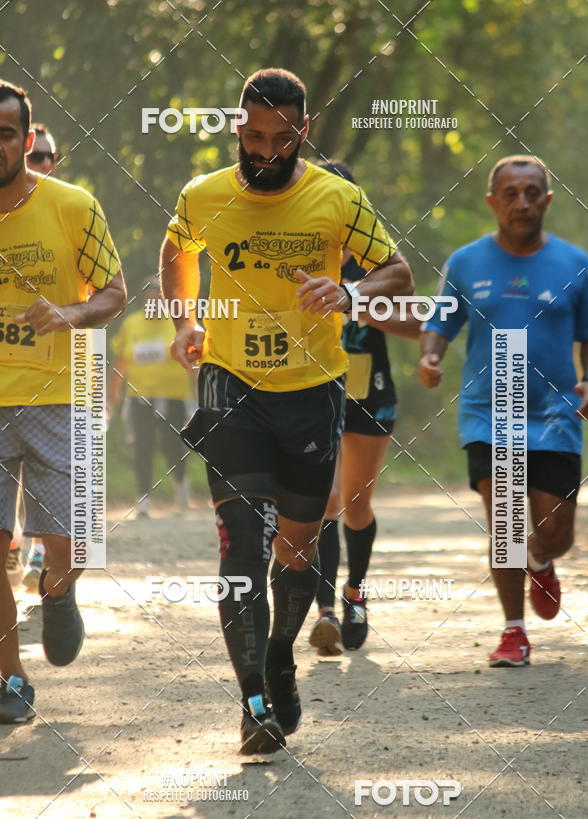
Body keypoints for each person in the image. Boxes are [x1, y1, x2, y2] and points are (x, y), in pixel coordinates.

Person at [160, 68, 414, 753]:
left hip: (312, 389)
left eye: (281, 138)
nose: (266, 152)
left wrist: (350, 295)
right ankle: (252, 704)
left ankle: (279, 656)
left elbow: (397, 271)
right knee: (242, 545)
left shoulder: (337, 196)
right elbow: (177, 249)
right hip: (230, 384)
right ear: (238, 128)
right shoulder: (203, 194)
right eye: (255, 137)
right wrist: (185, 321)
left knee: (296, 552)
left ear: (304, 131)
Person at [419, 155, 588, 667]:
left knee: (556, 535)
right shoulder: (465, 262)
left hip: (556, 414)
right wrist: (430, 357)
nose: (521, 203)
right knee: (504, 522)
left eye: (532, 193)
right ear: (492, 202)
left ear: (547, 200)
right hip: (489, 411)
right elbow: (440, 323)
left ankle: (540, 560)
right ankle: (513, 631)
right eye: (511, 194)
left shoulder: (576, 264)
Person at [0, 81, 125, 722]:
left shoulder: (74, 205)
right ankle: (10, 677)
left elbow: (114, 293)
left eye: (5, 134)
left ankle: (56, 589)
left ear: (27, 140)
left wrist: (70, 314)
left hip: (61, 394)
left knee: (70, 544)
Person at [308, 161, 420, 656]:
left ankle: (355, 592)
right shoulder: (298, 255)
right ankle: (326, 613)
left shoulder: (379, 262)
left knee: (355, 504)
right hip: (314, 389)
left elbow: (418, 323)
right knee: (326, 500)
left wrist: (357, 305)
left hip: (369, 394)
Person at [5, 121, 61, 592]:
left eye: (47, 156)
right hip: (11, 371)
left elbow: (107, 293)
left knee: (62, 490)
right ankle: (21, 540)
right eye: (35, 154)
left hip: (68, 365)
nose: (40, 161)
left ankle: (50, 557)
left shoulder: (70, 207)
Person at [108, 277, 191, 517]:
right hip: (140, 397)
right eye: (149, 298)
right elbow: (121, 360)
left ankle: (181, 488)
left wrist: (199, 391)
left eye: (158, 298)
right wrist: (112, 393)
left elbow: (193, 358)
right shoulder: (131, 325)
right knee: (143, 446)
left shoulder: (178, 324)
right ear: (143, 300)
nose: (153, 302)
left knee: (172, 445)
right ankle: (143, 499)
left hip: (174, 396)